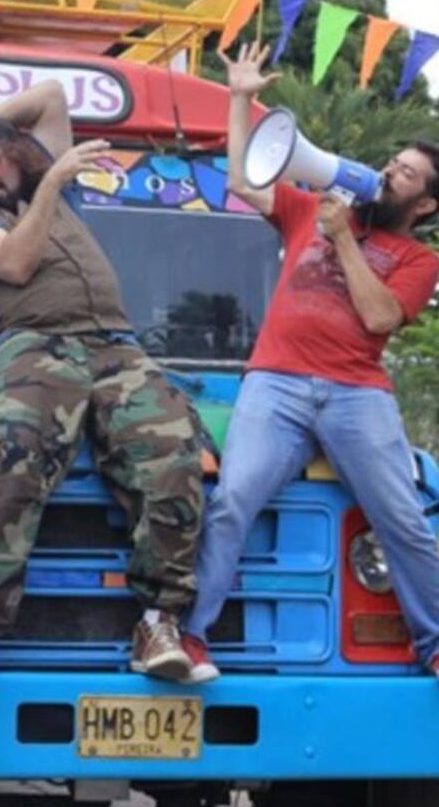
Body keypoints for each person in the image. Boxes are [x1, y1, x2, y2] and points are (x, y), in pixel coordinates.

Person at [182, 42, 439, 683]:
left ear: (426, 205)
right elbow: (243, 179)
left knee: (402, 517)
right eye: (391, 162)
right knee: (233, 498)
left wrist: (346, 242)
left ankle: (433, 642)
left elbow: (380, 318)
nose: (388, 173)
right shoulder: (309, 211)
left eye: (405, 174)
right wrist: (240, 97)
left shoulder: (417, 260)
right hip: (276, 384)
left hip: (357, 393)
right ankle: (191, 636)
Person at [0, 80, 207, 680]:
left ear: (17, 156)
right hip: (32, 346)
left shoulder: (59, 192)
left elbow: (52, 97)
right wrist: (52, 179)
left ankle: (159, 622)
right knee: (15, 443)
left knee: (173, 454)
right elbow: (14, 263)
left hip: (116, 346)